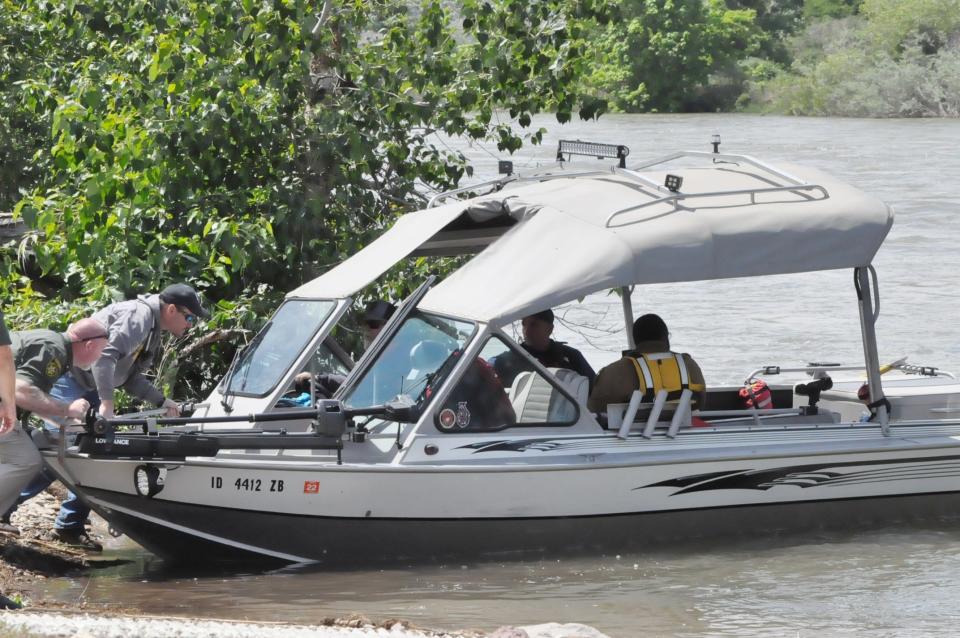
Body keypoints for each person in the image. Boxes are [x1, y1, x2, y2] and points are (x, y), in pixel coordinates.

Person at [13, 283, 209, 549]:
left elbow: (128, 378)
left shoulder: (153, 329)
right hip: (73, 378)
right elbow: (104, 357)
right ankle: (6, 508)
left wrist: (162, 401)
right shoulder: (138, 317)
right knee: (64, 447)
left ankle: (69, 525)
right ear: (171, 309)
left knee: (99, 452)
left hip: (92, 385)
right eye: (189, 318)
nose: (190, 325)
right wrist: (107, 403)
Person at [0, 316, 108, 536]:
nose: (100, 358)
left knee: (37, 441)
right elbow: (21, 390)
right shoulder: (54, 350)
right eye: (102, 350)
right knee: (27, 459)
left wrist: (66, 424)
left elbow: (30, 397)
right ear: (89, 345)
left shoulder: (53, 344)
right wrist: (68, 409)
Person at [587, 313, 706, 414]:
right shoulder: (689, 364)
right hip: (686, 433)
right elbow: (701, 402)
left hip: (630, 436)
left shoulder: (612, 372)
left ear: (635, 340)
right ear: (666, 337)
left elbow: (596, 410)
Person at [493, 309, 596, 387]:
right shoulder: (506, 360)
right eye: (524, 325)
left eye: (534, 325)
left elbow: (594, 390)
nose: (526, 331)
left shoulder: (572, 356)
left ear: (550, 329)